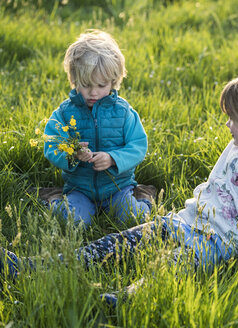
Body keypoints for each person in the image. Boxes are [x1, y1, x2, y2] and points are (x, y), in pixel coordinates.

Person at [1, 72, 238, 302]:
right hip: (185, 220)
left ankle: (122, 300)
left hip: (217, 240)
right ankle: (32, 267)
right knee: (118, 242)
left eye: (235, 119)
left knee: (170, 267)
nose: (228, 124)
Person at [40, 30, 155, 227]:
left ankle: (142, 197)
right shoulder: (65, 113)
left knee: (133, 219)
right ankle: (56, 200)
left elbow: (138, 146)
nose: (93, 92)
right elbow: (51, 144)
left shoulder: (124, 112)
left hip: (118, 187)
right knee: (73, 223)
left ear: (113, 81)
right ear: (74, 80)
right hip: (79, 188)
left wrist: (113, 158)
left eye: (101, 85)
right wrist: (72, 154)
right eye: (85, 85)